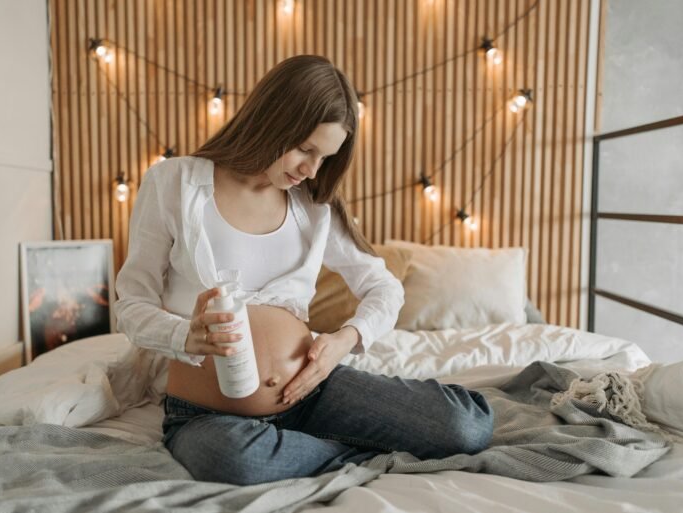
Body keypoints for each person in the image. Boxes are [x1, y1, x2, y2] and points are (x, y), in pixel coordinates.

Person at [114, 54, 493, 486]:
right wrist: (183, 335)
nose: (311, 169)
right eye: (305, 149)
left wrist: (344, 341)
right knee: (234, 462)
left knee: (468, 426)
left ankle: (311, 449)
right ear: (271, 119)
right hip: (208, 416)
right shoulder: (174, 183)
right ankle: (355, 451)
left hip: (314, 394)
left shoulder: (313, 205)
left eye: (324, 157)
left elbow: (384, 287)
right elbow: (132, 304)